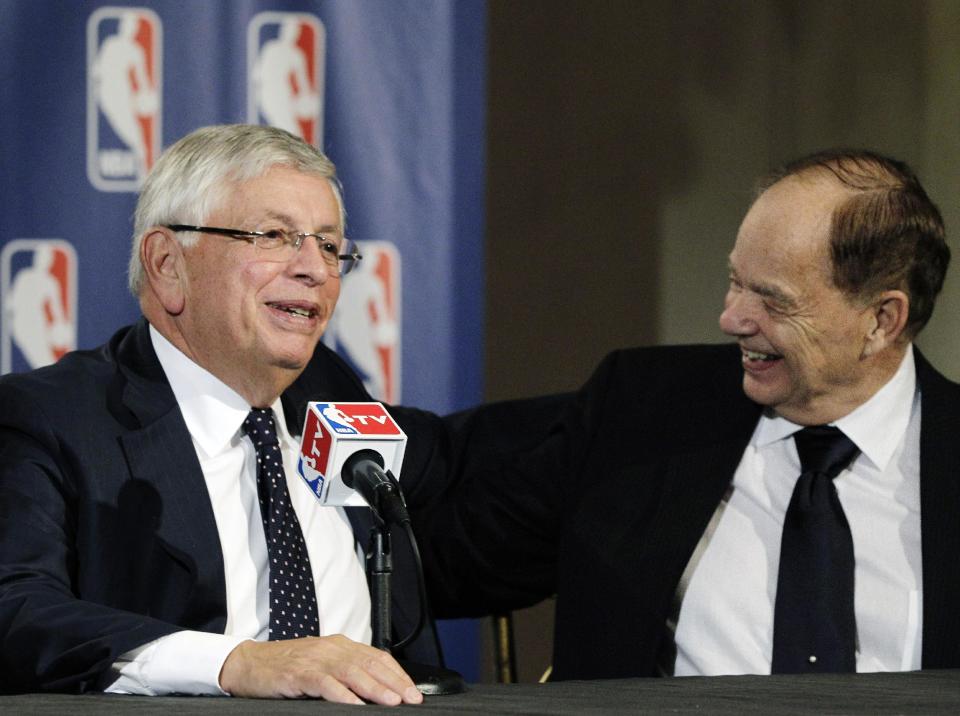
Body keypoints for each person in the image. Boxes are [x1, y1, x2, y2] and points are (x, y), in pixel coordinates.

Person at [414, 149, 960, 679]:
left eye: (773, 301)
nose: (731, 318)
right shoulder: (642, 411)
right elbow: (443, 554)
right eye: (735, 281)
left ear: (883, 320)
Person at [0, 124, 433, 704]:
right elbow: (16, 608)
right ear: (167, 264)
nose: (315, 268)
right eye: (276, 235)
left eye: (329, 245)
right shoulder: (51, 418)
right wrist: (237, 663)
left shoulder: (331, 390)